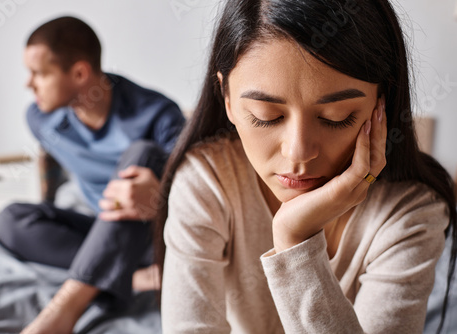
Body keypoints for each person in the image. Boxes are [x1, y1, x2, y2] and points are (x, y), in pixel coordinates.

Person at [155, 0, 457, 333]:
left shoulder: (410, 214)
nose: (298, 152)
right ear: (226, 98)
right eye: (266, 116)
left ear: (380, 105)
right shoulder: (206, 181)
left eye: (336, 117)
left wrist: (295, 240)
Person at [0, 16, 185, 334]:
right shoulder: (41, 119)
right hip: (101, 234)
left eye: (39, 73)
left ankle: (65, 309)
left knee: (143, 154)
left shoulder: (158, 114)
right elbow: (51, 176)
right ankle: (126, 275)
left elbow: (199, 186)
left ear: (79, 73)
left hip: (153, 237)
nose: (29, 84)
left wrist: (162, 193)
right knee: (10, 220)